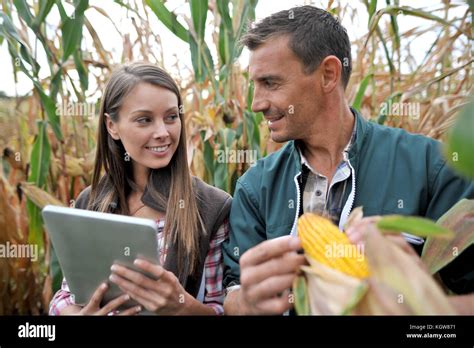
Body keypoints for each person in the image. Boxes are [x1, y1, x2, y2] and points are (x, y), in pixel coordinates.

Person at [222, 6, 474, 315]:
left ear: (328, 74)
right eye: (254, 85)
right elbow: (231, 292)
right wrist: (247, 300)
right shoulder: (254, 187)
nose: (256, 104)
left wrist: (415, 306)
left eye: (271, 83)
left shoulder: (431, 166)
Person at [49, 62, 232, 315]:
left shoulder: (212, 206)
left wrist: (181, 305)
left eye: (171, 117)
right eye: (144, 120)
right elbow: (67, 294)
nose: (163, 132)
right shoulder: (90, 202)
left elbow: (223, 308)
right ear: (112, 126)